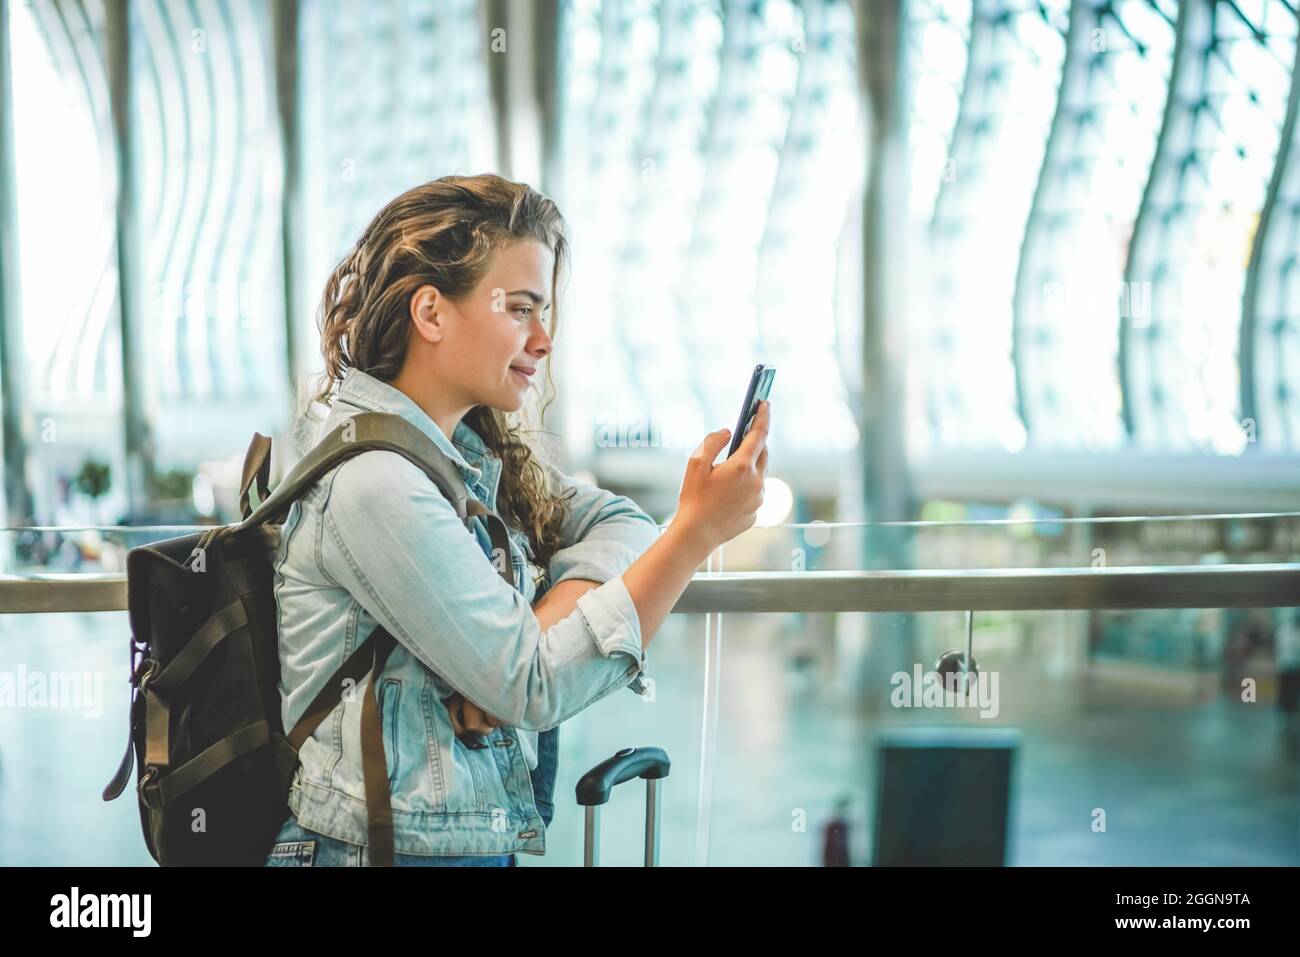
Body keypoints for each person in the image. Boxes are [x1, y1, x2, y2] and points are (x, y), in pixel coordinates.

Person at [265, 173, 770, 866]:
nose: (543, 339)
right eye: (521, 310)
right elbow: (534, 684)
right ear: (432, 314)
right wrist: (696, 537)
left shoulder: (461, 455)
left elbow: (619, 520)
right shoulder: (376, 483)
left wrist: (536, 628)